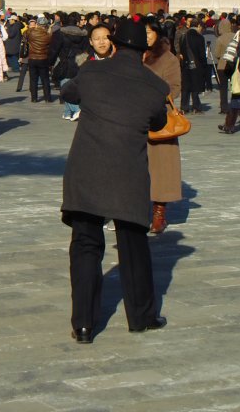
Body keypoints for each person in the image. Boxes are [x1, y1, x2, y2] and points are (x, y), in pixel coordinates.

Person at [60, 18, 169, 343]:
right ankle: (141, 316)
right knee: (134, 246)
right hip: (127, 171)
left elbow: (68, 91)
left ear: (115, 43)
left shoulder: (92, 72)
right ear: (144, 50)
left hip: (87, 168)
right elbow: (158, 120)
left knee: (85, 245)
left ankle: (83, 324)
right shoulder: (154, 86)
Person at [143, 19, 182, 234]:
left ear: (158, 34)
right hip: (134, 118)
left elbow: (175, 88)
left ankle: (159, 213)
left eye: (150, 32)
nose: (146, 36)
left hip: (159, 119)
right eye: (143, 33)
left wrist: (151, 92)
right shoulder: (132, 55)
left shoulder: (168, 59)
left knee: (161, 169)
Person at [49, 12, 89, 120]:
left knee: (65, 88)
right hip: (80, 63)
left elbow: (54, 49)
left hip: (65, 63)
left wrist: (50, 62)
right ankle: (67, 113)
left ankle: (76, 109)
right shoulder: (84, 34)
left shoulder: (60, 33)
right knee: (72, 86)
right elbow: (86, 50)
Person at [179, 19, 206, 113]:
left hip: (186, 64)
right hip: (196, 64)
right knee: (195, 86)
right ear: (198, 26)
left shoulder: (184, 36)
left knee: (185, 87)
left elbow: (181, 50)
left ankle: (184, 107)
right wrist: (203, 65)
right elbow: (202, 54)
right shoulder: (199, 37)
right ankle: (196, 107)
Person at [26, 15, 53, 103]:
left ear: (37, 24)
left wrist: (32, 27)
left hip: (32, 58)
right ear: (46, 25)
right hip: (43, 58)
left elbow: (25, 34)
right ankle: (47, 98)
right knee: (45, 79)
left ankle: (34, 98)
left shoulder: (30, 32)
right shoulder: (48, 35)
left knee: (33, 79)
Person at [214, 17, 235, 113]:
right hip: (234, 64)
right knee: (235, 86)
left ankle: (224, 107)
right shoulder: (236, 36)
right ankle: (237, 106)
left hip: (222, 65)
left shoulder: (220, 39)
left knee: (223, 88)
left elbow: (217, 54)